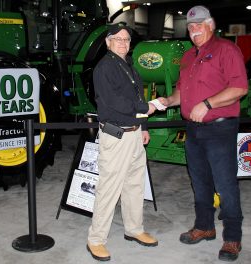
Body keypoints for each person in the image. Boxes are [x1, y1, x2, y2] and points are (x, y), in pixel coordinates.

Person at [159, 5, 248, 262]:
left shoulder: (226, 50)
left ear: (211, 24)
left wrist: (207, 104)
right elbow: (181, 93)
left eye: (198, 25)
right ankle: (205, 226)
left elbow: (239, 88)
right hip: (193, 131)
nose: (194, 30)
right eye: (190, 26)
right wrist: (168, 100)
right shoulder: (187, 57)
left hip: (220, 128)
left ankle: (232, 238)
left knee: (226, 185)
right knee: (199, 183)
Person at [87, 23, 159, 261]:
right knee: (109, 189)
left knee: (134, 186)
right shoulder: (105, 67)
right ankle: (96, 239)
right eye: (117, 38)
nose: (123, 42)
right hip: (116, 136)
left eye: (127, 39)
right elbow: (114, 101)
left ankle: (134, 229)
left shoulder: (128, 65)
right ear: (108, 42)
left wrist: (143, 126)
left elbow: (138, 95)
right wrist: (145, 108)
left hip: (135, 134)